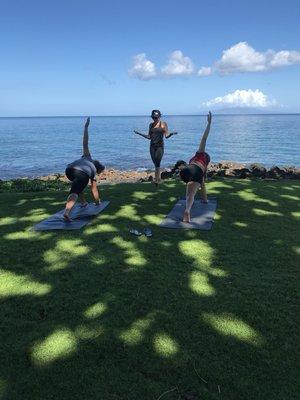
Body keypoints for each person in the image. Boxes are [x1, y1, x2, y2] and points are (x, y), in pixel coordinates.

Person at [63, 117, 105, 221]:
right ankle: (67, 212)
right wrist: (97, 202)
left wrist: (86, 127)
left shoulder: (87, 157)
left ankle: (83, 202)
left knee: (78, 185)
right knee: (75, 192)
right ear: (98, 169)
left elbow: (85, 142)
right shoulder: (93, 171)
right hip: (81, 173)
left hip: (69, 170)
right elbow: (93, 189)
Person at [174, 112, 212, 223]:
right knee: (192, 193)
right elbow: (203, 184)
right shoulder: (203, 161)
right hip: (196, 172)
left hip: (186, 171)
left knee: (189, 192)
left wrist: (209, 124)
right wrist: (209, 123)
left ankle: (188, 206)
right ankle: (187, 210)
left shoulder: (196, 156)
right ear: (207, 159)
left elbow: (203, 139)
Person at [134, 110, 177, 185]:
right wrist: (139, 134)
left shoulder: (163, 124)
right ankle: (158, 179)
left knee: (157, 163)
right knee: (155, 164)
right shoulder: (151, 125)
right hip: (152, 147)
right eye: (153, 117)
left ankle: (156, 180)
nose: (155, 119)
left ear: (159, 116)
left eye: (156, 117)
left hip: (160, 146)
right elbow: (149, 137)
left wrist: (171, 134)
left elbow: (166, 136)